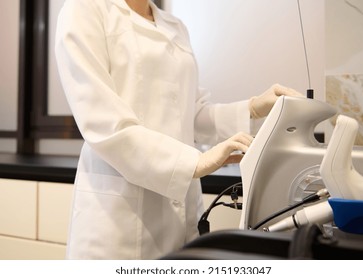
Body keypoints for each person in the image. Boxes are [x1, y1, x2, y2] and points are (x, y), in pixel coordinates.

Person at [55, 0, 303, 260]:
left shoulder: (174, 26)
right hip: (118, 218)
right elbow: (102, 121)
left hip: (180, 210)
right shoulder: (85, 9)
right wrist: (191, 163)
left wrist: (253, 108)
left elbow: (190, 113)